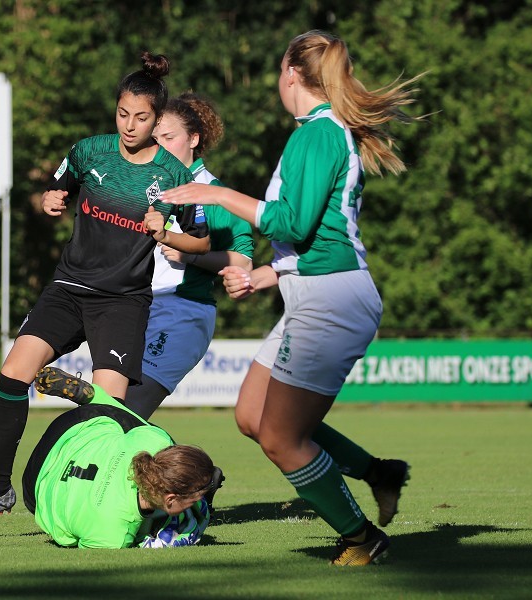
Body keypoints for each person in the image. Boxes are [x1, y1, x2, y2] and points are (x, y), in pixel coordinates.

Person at [161, 30, 424, 565]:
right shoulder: (318, 132)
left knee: (281, 437)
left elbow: (295, 222)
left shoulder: (317, 134)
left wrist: (217, 194)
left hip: (333, 300)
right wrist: (269, 273)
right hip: (315, 292)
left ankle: (362, 538)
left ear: (291, 73)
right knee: (253, 415)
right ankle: (379, 472)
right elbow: (314, 235)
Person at [0, 52, 210, 525]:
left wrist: (164, 232)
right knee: (12, 375)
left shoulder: (173, 175)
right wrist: (51, 196)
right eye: (123, 113)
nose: (130, 125)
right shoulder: (89, 150)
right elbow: (58, 184)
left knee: (109, 414)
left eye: (142, 117)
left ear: (157, 118)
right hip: (67, 288)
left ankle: (173, 493)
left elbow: (201, 239)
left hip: (122, 302)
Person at [124, 92, 254, 419]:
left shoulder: (214, 194)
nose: (159, 146)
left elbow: (244, 263)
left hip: (182, 312)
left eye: (169, 137)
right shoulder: (147, 188)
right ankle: (193, 471)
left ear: (193, 139)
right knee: (107, 413)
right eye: (154, 139)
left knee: (127, 413)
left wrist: (190, 257)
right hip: (133, 308)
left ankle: (193, 471)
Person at [22, 366, 218, 548]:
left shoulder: (153, 444)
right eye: (194, 499)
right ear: (170, 499)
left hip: (74, 426)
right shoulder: (114, 536)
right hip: (35, 488)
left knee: (151, 433)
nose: (196, 502)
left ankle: (96, 396)